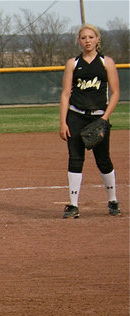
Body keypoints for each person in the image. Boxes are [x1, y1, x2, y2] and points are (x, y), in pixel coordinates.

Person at [59, 24, 121, 218]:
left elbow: (116, 93)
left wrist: (104, 119)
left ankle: (112, 200)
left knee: (103, 159)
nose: (87, 40)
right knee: (75, 158)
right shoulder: (72, 64)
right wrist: (63, 122)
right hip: (76, 115)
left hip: (99, 116)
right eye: (83, 37)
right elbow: (65, 93)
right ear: (79, 41)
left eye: (91, 37)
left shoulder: (106, 63)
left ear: (97, 40)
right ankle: (73, 204)